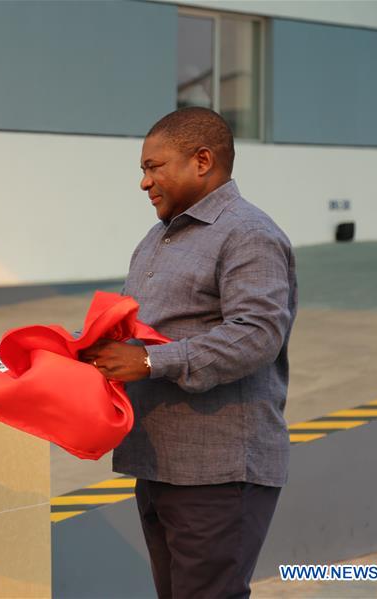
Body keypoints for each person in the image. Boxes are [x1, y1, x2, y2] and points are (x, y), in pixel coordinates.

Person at [80, 107, 297, 599]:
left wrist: (153, 362)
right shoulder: (158, 239)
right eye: (143, 169)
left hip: (219, 470)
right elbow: (142, 333)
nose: (144, 182)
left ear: (202, 161)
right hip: (160, 464)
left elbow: (258, 333)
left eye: (153, 167)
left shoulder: (248, 233)